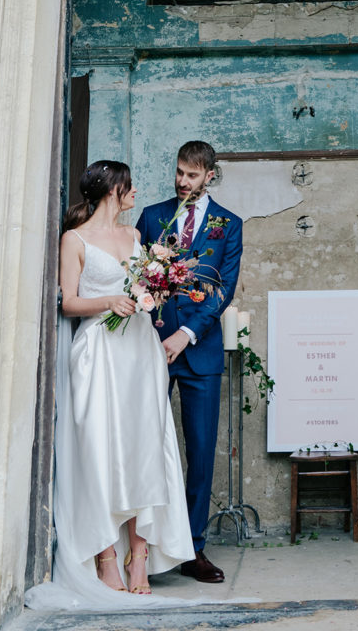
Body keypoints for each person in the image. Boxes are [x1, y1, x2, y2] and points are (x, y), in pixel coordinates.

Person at [24, 161, 193, 611]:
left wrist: (156, 293)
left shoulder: (137, 239)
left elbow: (147, 295)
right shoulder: (74, 239)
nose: (136, 192)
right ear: (112, 190)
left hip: (141, 350)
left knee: (144, 449)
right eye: (130, 186)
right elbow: (69, 301)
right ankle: (105, 555)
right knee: (101, 449)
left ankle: (140, 555)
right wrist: (109, 301)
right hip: (99, 350)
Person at [137, 141, 243, 584]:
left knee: (199, 454)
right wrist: (157, 331)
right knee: (143, 448)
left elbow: (224, 289)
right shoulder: (151, 216)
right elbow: (137, 276)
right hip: (149, 349)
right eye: (179, 172)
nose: (183, 182)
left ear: (210, 176)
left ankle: (193, 549)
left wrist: (185, 334)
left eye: (192, 175)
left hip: (198, 352)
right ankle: (143, 549)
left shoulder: (229, 225)